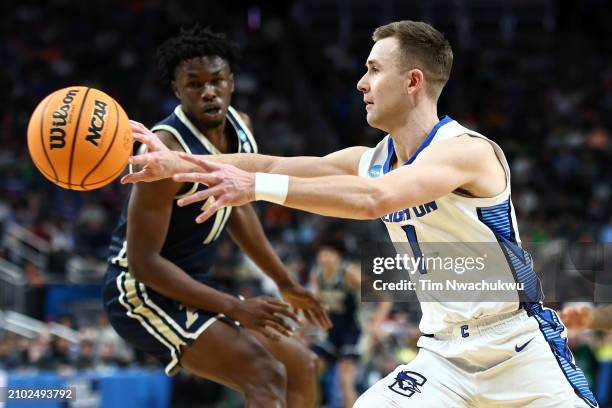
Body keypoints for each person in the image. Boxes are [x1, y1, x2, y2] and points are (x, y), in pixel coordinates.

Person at [123, 20, 598, 408]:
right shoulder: (369, 159)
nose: (360, 82)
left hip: (518, 351)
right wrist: (178, 162)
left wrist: (257, 189)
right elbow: (266, 162)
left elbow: (376, 200)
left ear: (412, 81)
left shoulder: (467, 151)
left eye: (373, 69)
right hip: (443, 356)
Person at [103, 26, 331, 408]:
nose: (208, 91)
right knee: (265, 375)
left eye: (216, 80)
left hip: (194, 282)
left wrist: (285, 282)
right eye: (194, 84)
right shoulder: (168, 151)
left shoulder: (241, 126)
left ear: (232, 81)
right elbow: (144, 264)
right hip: (143, 293)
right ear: (177, 89)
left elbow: (237, 206)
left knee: (302, 365)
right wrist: (235, 306)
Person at [309, 238, 361, 408]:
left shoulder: (350, 272)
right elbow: (316, 303)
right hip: (332, 328)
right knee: (313, 369)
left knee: (345, 379)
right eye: (321, 254)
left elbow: (385, 297)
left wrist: (376, 322)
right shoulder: (317, 274)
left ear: (338, 256)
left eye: (328, 254)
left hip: (353, 329)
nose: (323, 258)